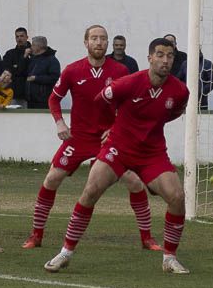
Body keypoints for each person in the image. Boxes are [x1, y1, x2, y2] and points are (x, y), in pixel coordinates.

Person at [43, 38, 191, 275]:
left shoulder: (180, 90)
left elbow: (174, 112)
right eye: (160, 55)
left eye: (170, 56)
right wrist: (109, 126)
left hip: (152, 153)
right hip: (118, 149)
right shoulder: (129, 83)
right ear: (150, 58)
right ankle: (65, 252)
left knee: (177, 196)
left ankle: (169, 258)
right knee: (90, 192)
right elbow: (101, 100)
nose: (165, 60)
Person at [26, 25, 161, 251]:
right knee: (51, 179)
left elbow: (130, 105)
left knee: (135, 183)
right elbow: (53, 99)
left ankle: (147, 238)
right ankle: (36, 235)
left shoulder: (120, 71)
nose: (99, 42)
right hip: (78, 138)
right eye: (94, 38)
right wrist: (60, 122)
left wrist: (118, 127)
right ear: (86, 42)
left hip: (109, 140)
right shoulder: (72, 70)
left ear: (107, 44)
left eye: (103, 39)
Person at [25, 36, 61, 111]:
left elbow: (55, 78)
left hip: (43, 101)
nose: (31, 47)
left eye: (33, 45)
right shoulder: (33, 59)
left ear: (39, 46)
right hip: (30, 101)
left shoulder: (52, 60)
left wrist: (36, 78)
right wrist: (24, 57)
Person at [1, 27, 32, 106]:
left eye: (22, 36)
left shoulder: (34, 54)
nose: (19, 39)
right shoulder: (10, 54)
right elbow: (8, 72)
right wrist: (24, 57)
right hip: (14, 94)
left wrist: (16, 67)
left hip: (31, 95)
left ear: (27, 37)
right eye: (17, 36)